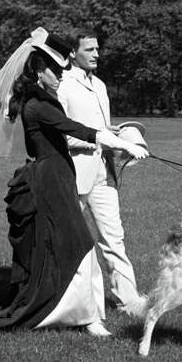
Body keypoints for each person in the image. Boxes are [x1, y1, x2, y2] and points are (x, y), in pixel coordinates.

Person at [0, 28, 148, 336]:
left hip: (59, 178)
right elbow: (76, 128)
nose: (60, 74)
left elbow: (81, 127)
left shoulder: (41, 100)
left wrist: (119, 138)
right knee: (81, 246)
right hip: (50, 182)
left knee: (74, 247)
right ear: (38, 70)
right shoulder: (38, 105)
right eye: (54, 69)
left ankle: (86, 315)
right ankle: (85, 317)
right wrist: (124, 145)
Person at [57, 28, 143, 310]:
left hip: (104, 172)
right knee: (67, 240)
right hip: (74, 171)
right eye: (89, 50)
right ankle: (58, 297)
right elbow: (59, 132)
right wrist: (98, 134)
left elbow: (100, 129)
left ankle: (129, 302)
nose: (96, 54)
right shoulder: (62, 84)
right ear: (73, 53)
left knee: (114, 237)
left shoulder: (102, 85)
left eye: (97, 49)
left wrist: (116, 138)